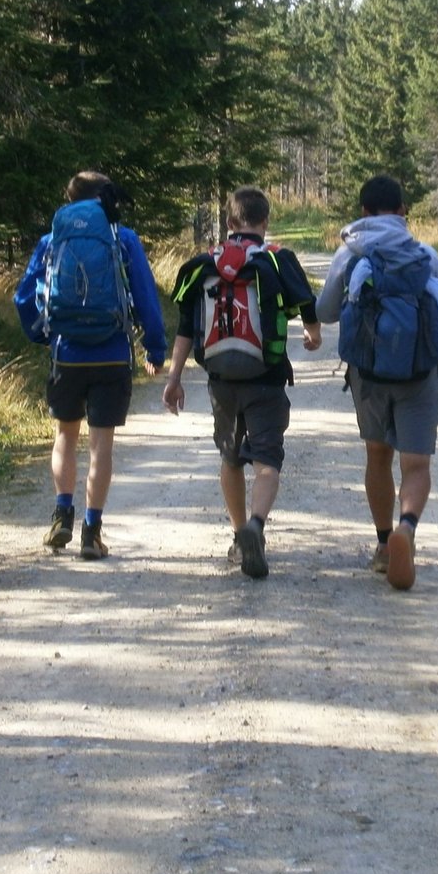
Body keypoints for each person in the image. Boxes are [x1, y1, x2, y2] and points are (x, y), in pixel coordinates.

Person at [162, 187, 321, 581]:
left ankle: (237, 537)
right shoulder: (278, 259)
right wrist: (313, 333)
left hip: (221, 381)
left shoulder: (203, 265)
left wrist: (174, 377)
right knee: (267, 462)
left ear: (230, 222)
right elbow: (307, 303)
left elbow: (186, 328)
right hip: (266, 378)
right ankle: (256, 526)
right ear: (265, 222)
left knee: (230, 459)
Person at [315, 174, 438, 592]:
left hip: (369, 373)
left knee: (377, 456)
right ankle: (407, 528)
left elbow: (326, 312)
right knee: (416, 464)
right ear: (402, 212)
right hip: (420, 372)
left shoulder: (350, 252)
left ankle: (383, 545)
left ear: (363, 211)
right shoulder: (423, 253)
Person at [14, 171, 167, 560]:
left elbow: (24, 297)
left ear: (70, 200)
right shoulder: (122, 238)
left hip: (66, 353)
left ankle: (61, 515)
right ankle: (91, 532)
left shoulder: (52, 240)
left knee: (65, 435)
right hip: (111, 353)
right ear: (106, 198)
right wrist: (154, 348)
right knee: (101, 445)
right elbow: (145, 296)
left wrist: (45, 335)